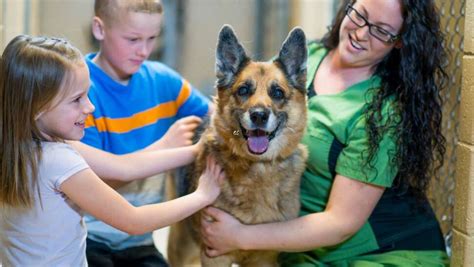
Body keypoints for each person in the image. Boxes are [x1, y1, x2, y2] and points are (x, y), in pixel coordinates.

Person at [200, 0, 450, 266]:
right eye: (360, 15)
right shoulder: (312, 54)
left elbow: (339, 224)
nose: (361, 33)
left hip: (379, 251)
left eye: (381, 31)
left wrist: (240, 236)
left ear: (399, 41)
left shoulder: (381, 113)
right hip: (297, 243)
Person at [0, 35, 224, 267]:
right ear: (38, 108)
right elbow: (133, 220)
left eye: (87, 94)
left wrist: (194, 151)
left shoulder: (17, 149)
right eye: (77, 99)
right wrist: (202, 195)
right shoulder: (59, 160)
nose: (90, 107)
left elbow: (123, 167)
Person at [75, 0, 213, 265]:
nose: (144, 51)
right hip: (88, 237)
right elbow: (89, 188)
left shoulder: (164, 80)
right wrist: (164, 147)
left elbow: (218, 118)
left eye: (152, 39)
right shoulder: (79, 92)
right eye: (133, 39)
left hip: (140, 241)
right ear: (99, 29)